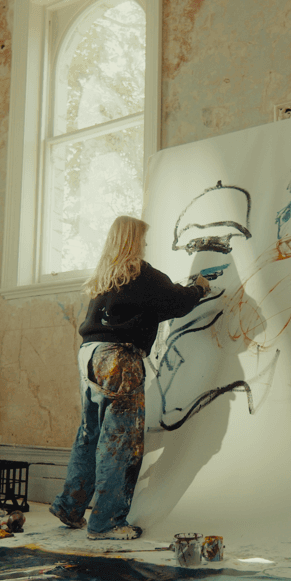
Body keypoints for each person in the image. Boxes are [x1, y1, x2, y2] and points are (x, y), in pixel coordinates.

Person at [50, 215, 210, 539]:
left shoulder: (106, 278)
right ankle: (105, 522)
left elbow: (155, 308)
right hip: (119, 359)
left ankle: (70, 507)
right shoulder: (140, 273)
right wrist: (200, 288)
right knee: (120, 443)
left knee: (89, 435)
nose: (145, 247)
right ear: (134, 242)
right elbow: (175, 302)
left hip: (90, 355)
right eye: (144, 241)